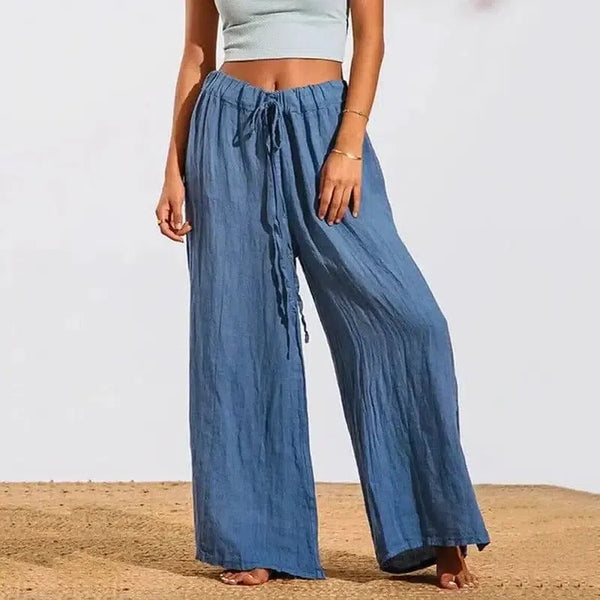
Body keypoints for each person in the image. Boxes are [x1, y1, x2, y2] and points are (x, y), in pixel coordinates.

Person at [155, 0, 491, 590]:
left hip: (324, 124)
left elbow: (370, 40)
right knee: (239, 333)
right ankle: (255, 537)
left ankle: (437, 527)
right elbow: (197, 55)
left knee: (409, 321)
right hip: (226, 130)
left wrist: (348, 144)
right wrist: (173, 167)